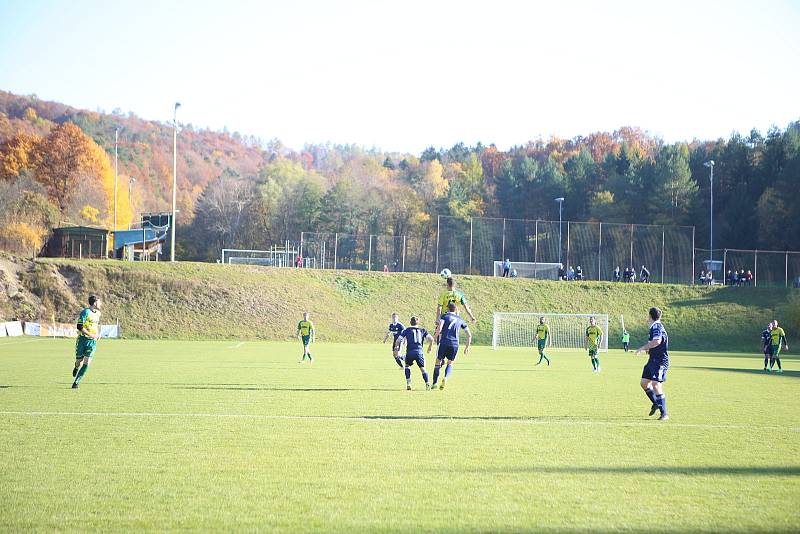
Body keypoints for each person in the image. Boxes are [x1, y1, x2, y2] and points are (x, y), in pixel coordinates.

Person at [636, 307, 670, 420]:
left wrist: (642, 348)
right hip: (653, 360)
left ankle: (664, 413)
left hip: (660, 361)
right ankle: (656, 403)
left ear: (650, 316)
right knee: (644, 383)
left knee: (656, 385)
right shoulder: (654, 327)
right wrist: (649, 349)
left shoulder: (656, 326)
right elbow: (655, 343)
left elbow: (657, 341)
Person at [430, 302, 472, 389]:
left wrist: (433, 339)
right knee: (450, 363)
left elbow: (439, 329)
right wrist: (467, 347)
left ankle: (434, 383)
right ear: (455, 309)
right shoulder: (461, 320)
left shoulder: (444, 316)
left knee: (438, 362)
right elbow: (469, 334)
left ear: (448, 309)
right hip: (455, 344)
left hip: (444, 342)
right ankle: (445, 378)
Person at [71, 295, 102, 389]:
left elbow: (96, 325)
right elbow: (79, 327)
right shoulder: (85, 312)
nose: (101, 304)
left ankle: (76, 382)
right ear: (95, 302)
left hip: (92, 342)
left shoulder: (98, 313)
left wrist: (98, 334)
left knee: (87, 362)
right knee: (78, 362)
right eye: (100, 302)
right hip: (82, 340)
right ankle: (76, 367)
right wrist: (90, 334)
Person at [398, 316, 433, 390]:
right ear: (418, 323)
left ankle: (409, 383)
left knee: (407, 366)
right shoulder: (423, 330)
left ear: (410, 322)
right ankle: (427, 384)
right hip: (419, 352)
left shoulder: (407, 330)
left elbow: (399, 340)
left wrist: (396, 348)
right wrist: (430, 347)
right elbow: (431, 339)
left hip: (410, 352)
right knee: (423, 368)